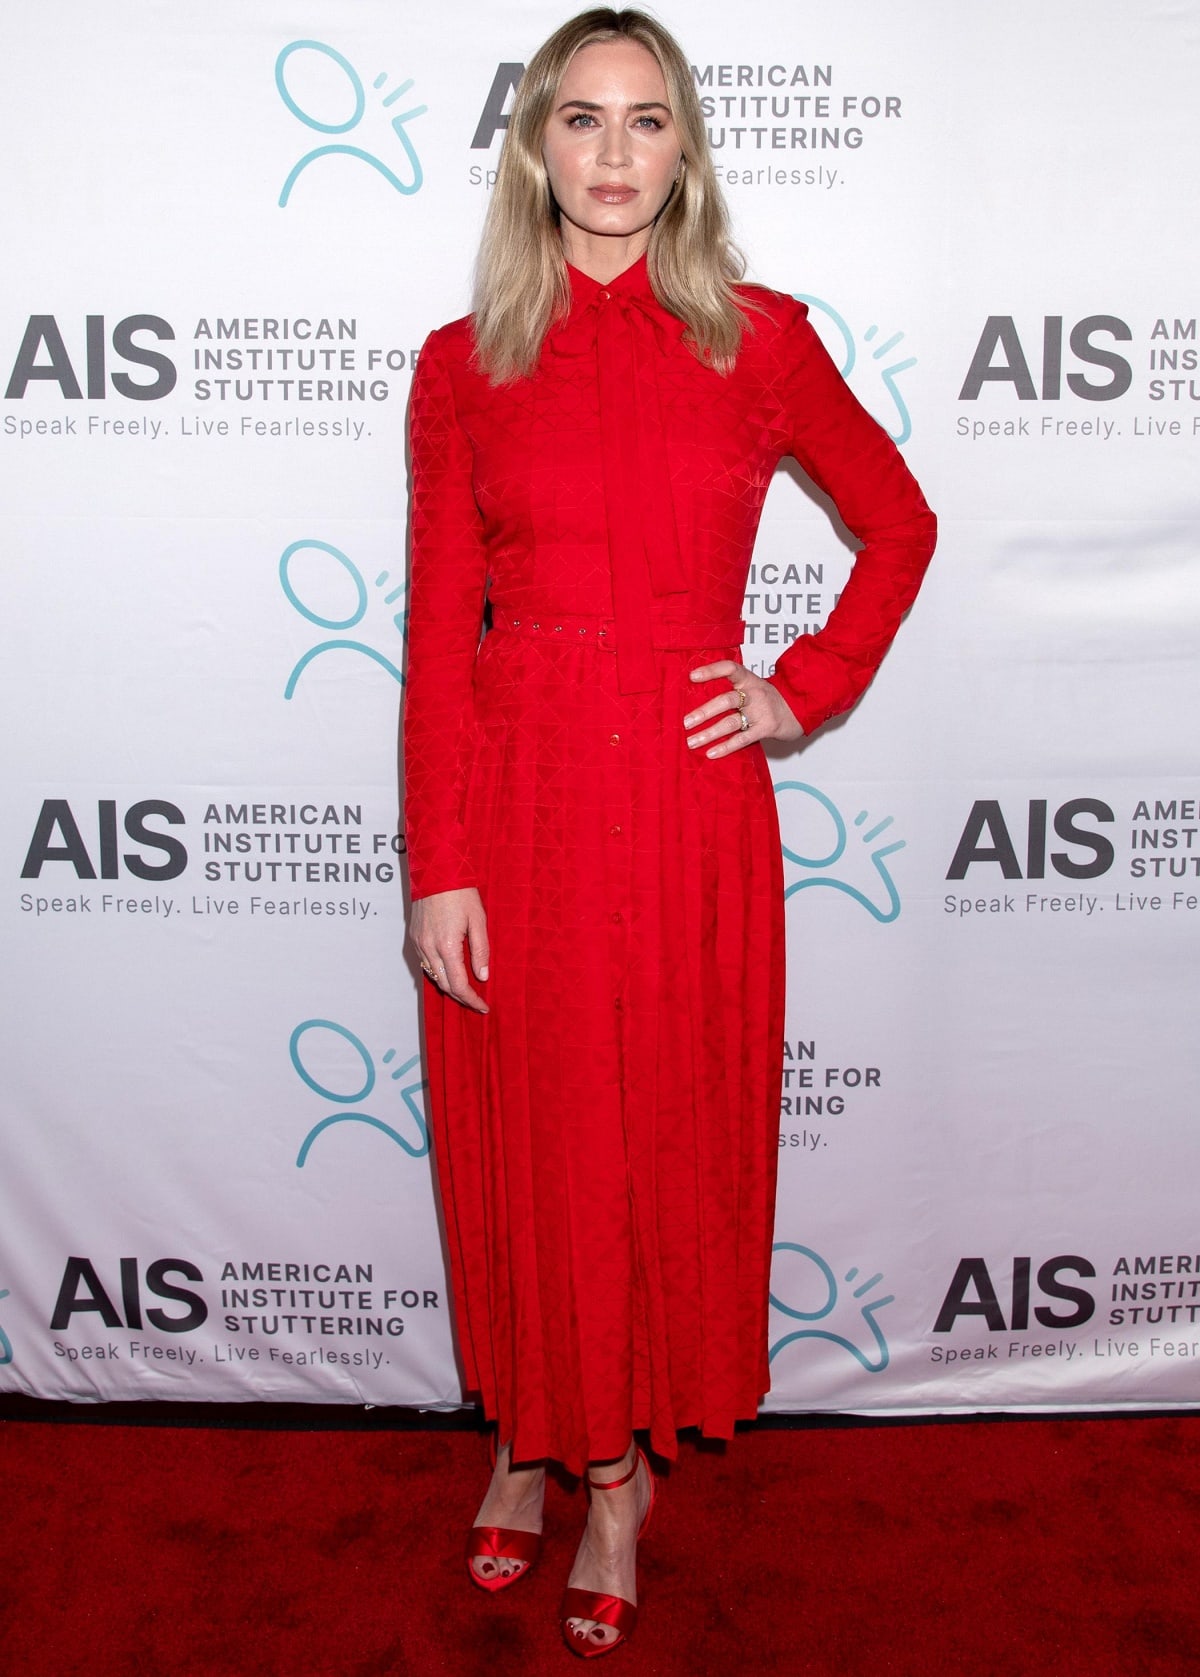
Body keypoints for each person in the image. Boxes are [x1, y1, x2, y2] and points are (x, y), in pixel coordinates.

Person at [403, 7, 936, 1657]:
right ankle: (526, 1435)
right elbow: (436, 633)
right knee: (533, 1135)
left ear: (686, 148)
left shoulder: (761, 340)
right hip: (517, 797)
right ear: (536, 149)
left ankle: (617, 1481)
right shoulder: (460, 360)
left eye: (647, 121)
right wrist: (442, 861)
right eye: (582, 119)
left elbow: (901, 521)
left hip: (689, 806)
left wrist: (805, 686)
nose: (615, 152)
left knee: (650, 1138)